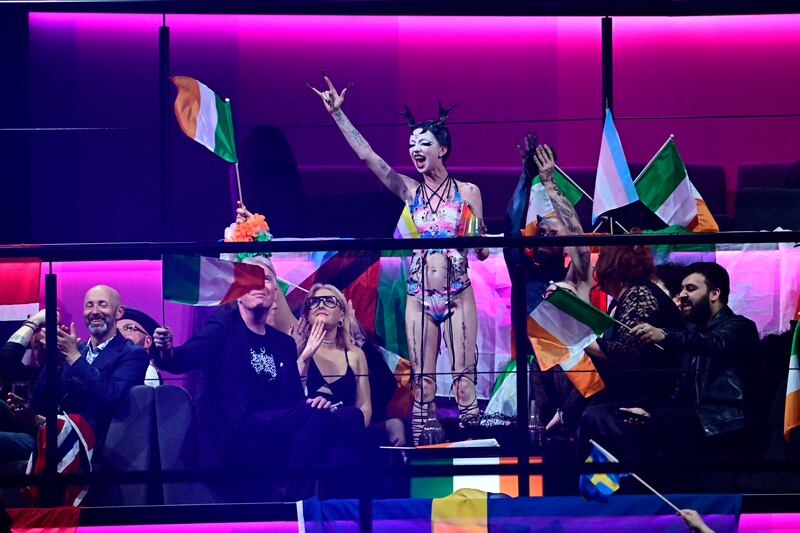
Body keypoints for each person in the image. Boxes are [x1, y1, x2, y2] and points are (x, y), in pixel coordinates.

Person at [309, 73, 489, 442]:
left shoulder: (468, 192)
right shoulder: (410, 191)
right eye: (411, 145)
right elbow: (369, 157)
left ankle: (474, 452)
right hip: (419, 296)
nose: (415, 150)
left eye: (424, 143)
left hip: (458, 293)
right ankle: (424, 454)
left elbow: (482, 251)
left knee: (463, 381)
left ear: (443, 149)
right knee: (422, 384)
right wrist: (338, 114)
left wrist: (475, 232)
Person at [152, 256, 364, 501]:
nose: (259, 284)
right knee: (314, 418)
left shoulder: (283, 344)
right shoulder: (223, 329)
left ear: (275, 294)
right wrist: (166, 350)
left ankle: (342, 508)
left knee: (350, 416)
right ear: (238, 294)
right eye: (250, 278)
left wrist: (314, 403)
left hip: (275, 433)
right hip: (236, 435)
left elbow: (293, 400)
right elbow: (186, 357)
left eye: (266, 279)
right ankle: (295, 506)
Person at [507, 136, 593, 443]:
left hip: (575, 382)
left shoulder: (577, 276)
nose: (543, 236)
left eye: (552, 233)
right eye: (540, 232)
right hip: (536, 381)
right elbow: (510, 229)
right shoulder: (524, 274)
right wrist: (525, 177)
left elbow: (579, 240)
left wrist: (549, 182)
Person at [631, 262, 760, 464]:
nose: (682, 294)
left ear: (714, 294)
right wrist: (649, 411)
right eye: (682, 289)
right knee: (635, 422)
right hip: (697, 417)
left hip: (727, 420)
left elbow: (713, 343)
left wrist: (666, 335)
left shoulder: (740, 327)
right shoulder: (692, 333)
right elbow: (678, 392)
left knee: (667, 423)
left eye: (690, 288)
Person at [579, 244, 685, 460]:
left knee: (593, 415)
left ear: (612, 266)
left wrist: (576, 340)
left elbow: (626, 351)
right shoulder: (629, 296)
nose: (597, 269)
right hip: (643, 390)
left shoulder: (638, 293)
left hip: (657, 396)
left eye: (600, 262)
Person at [29, 285, 150, 447]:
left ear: (119, 312)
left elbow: (114, 400)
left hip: (97, 446)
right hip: (54, 437)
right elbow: (38, 403)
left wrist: (74, 358)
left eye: (103, 304)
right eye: (89, 305)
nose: (95, 311)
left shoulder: (133, 354)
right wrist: (54, 363)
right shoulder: (74, 349)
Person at [297, 284, 372, 426]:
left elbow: (365, 408)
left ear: (341, 315)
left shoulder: (355, 355)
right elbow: (289, 399)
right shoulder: (298, 349)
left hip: (347, 432)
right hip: (308, 430)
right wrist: (303, 358)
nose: (321, 305)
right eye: (314, 301)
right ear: (307, 314)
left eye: (329, 301)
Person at [0, 310, 49, 461]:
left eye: (46, 329)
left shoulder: (64, 370)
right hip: (17, 430)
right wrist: (33, 323)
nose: (41, 335)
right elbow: (6, 359)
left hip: (45, 436)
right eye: (38, 330)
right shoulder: (23, 372)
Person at [117, 307, 161, 386]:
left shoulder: (146, 373)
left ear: (147, 341)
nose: (120, 334)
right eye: (115, 331)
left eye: (129, 328)